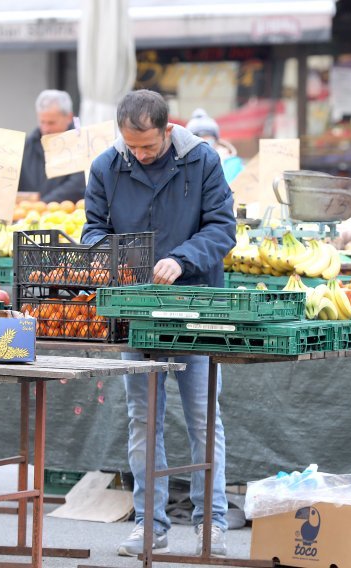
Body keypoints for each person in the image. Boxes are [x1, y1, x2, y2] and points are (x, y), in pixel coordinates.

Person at [81, 90, 236, 557]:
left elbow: (221, 228)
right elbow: (92, 229)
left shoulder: (203, 162)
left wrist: (181, 259)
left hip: (196, 308)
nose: (140, 155)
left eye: (147, 146)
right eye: (132, 146)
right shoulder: (107, 166)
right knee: (142, 420)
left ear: (168, 131)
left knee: (203, 420)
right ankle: (150, 525)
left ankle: (213, 525)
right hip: (137, 312)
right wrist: (113, 254)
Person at [18, 89, 85, 203]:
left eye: (51, 123)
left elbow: (78, 185)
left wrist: (43, 204)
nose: (46, 129)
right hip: (27, 215)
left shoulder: (82, 144)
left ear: (69, 117)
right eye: (42, 122)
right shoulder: (29, 145)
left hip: (68, 215)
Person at [186, 108, 243, 183]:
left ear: (216, 139)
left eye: (207, 135)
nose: (204, 140)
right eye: (198, 137)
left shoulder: (233, 164)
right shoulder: (184, 167)